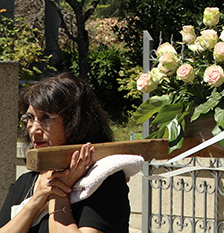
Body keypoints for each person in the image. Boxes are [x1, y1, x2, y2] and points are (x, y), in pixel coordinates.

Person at [0, 73, 131, 233]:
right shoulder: (25, 182)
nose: (33, 129)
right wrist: (35, 202)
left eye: (46, 117)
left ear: (75, 123)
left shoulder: (102, 181)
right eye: (30, 118)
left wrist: (59, 194)